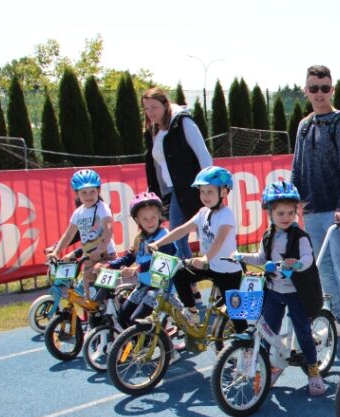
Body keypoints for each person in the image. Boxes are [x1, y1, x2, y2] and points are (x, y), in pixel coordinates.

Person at [231, 181, 327, 397]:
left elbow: (307, 259)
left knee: (303, 333)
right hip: (274, 291)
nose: (286, 217)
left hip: (296, 293)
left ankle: (313, 370)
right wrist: (241, 256)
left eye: (290, 213)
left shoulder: (300, 236)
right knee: (267, 330)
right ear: (270, 213)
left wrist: (297, 264)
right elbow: (262, 258)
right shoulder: (269, 235)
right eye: (280, 213)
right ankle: (272, 366)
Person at [291, 65, 340, 338]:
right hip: (311, 208)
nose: (319, 93)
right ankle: (339, 320)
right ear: (306, 90)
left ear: (332, 90)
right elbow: (296, 166)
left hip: (337, 209)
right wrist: (293, 200)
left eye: (324, 88)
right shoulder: (303, 126)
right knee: (323, 267)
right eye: (314, 88)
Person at [149, 166, 245, 333]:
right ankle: (192, 312)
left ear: (223, 192)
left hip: (228, 271)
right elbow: (181, 230)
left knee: (236, 314)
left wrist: (205, 259)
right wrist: (158, 243)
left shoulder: (226, 215)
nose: (205, 196)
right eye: (202, 192)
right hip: (210, 266)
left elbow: (219, 240)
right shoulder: (203, 212)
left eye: (210, 192)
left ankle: (246, 344)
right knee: (179, 274)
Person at [142, 87, 213, 265]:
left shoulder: (182, 122)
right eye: (146, 108)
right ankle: (191, 285)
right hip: (174, 191)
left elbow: (203, 154)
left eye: (154, 107)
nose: (150, 112)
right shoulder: (153, 130)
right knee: (178, 238)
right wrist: (153, 189)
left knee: (204, 235)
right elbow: (155, 164)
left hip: (194, 188)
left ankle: (219, 278)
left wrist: (209, 186)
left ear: (166, 105)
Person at [99, 192, 178, 329]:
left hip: (160, 289)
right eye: (145, 219)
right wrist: (109, 265)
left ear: (160, 216)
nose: (150, 222)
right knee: (122, 316)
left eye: (153, 217)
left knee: (137, 321)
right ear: (138, 220)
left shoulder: (165, 237)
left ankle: (155, 344)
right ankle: (137, 344)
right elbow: (129, 257)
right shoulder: (140, 238)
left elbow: (159, 262)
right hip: (144, 286)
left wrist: (137, 269)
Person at [48, 169, 114, 290]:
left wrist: (100, 249)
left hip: (106, 255)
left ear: (98, 191)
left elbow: (108, 230)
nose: (88, 196)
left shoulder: (102, 208)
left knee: (105, 292)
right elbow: (68, 235)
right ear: (77, 193)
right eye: (84, 192)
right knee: (88, 294)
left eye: (92, 191)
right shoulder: (78, 213)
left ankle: (115, 308)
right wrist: (56, 251)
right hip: (89, 257)